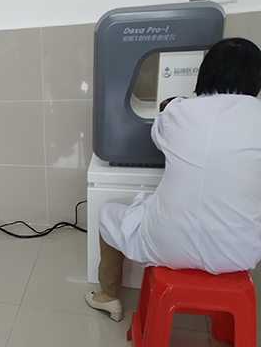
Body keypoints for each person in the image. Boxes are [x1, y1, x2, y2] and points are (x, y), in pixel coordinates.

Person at [85, 37, 261, 322]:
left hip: (168, 245)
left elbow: (159, 138)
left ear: (205, 72)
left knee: (108, 215)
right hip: (238, 253)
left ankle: (108, 296)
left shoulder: (179, 110)